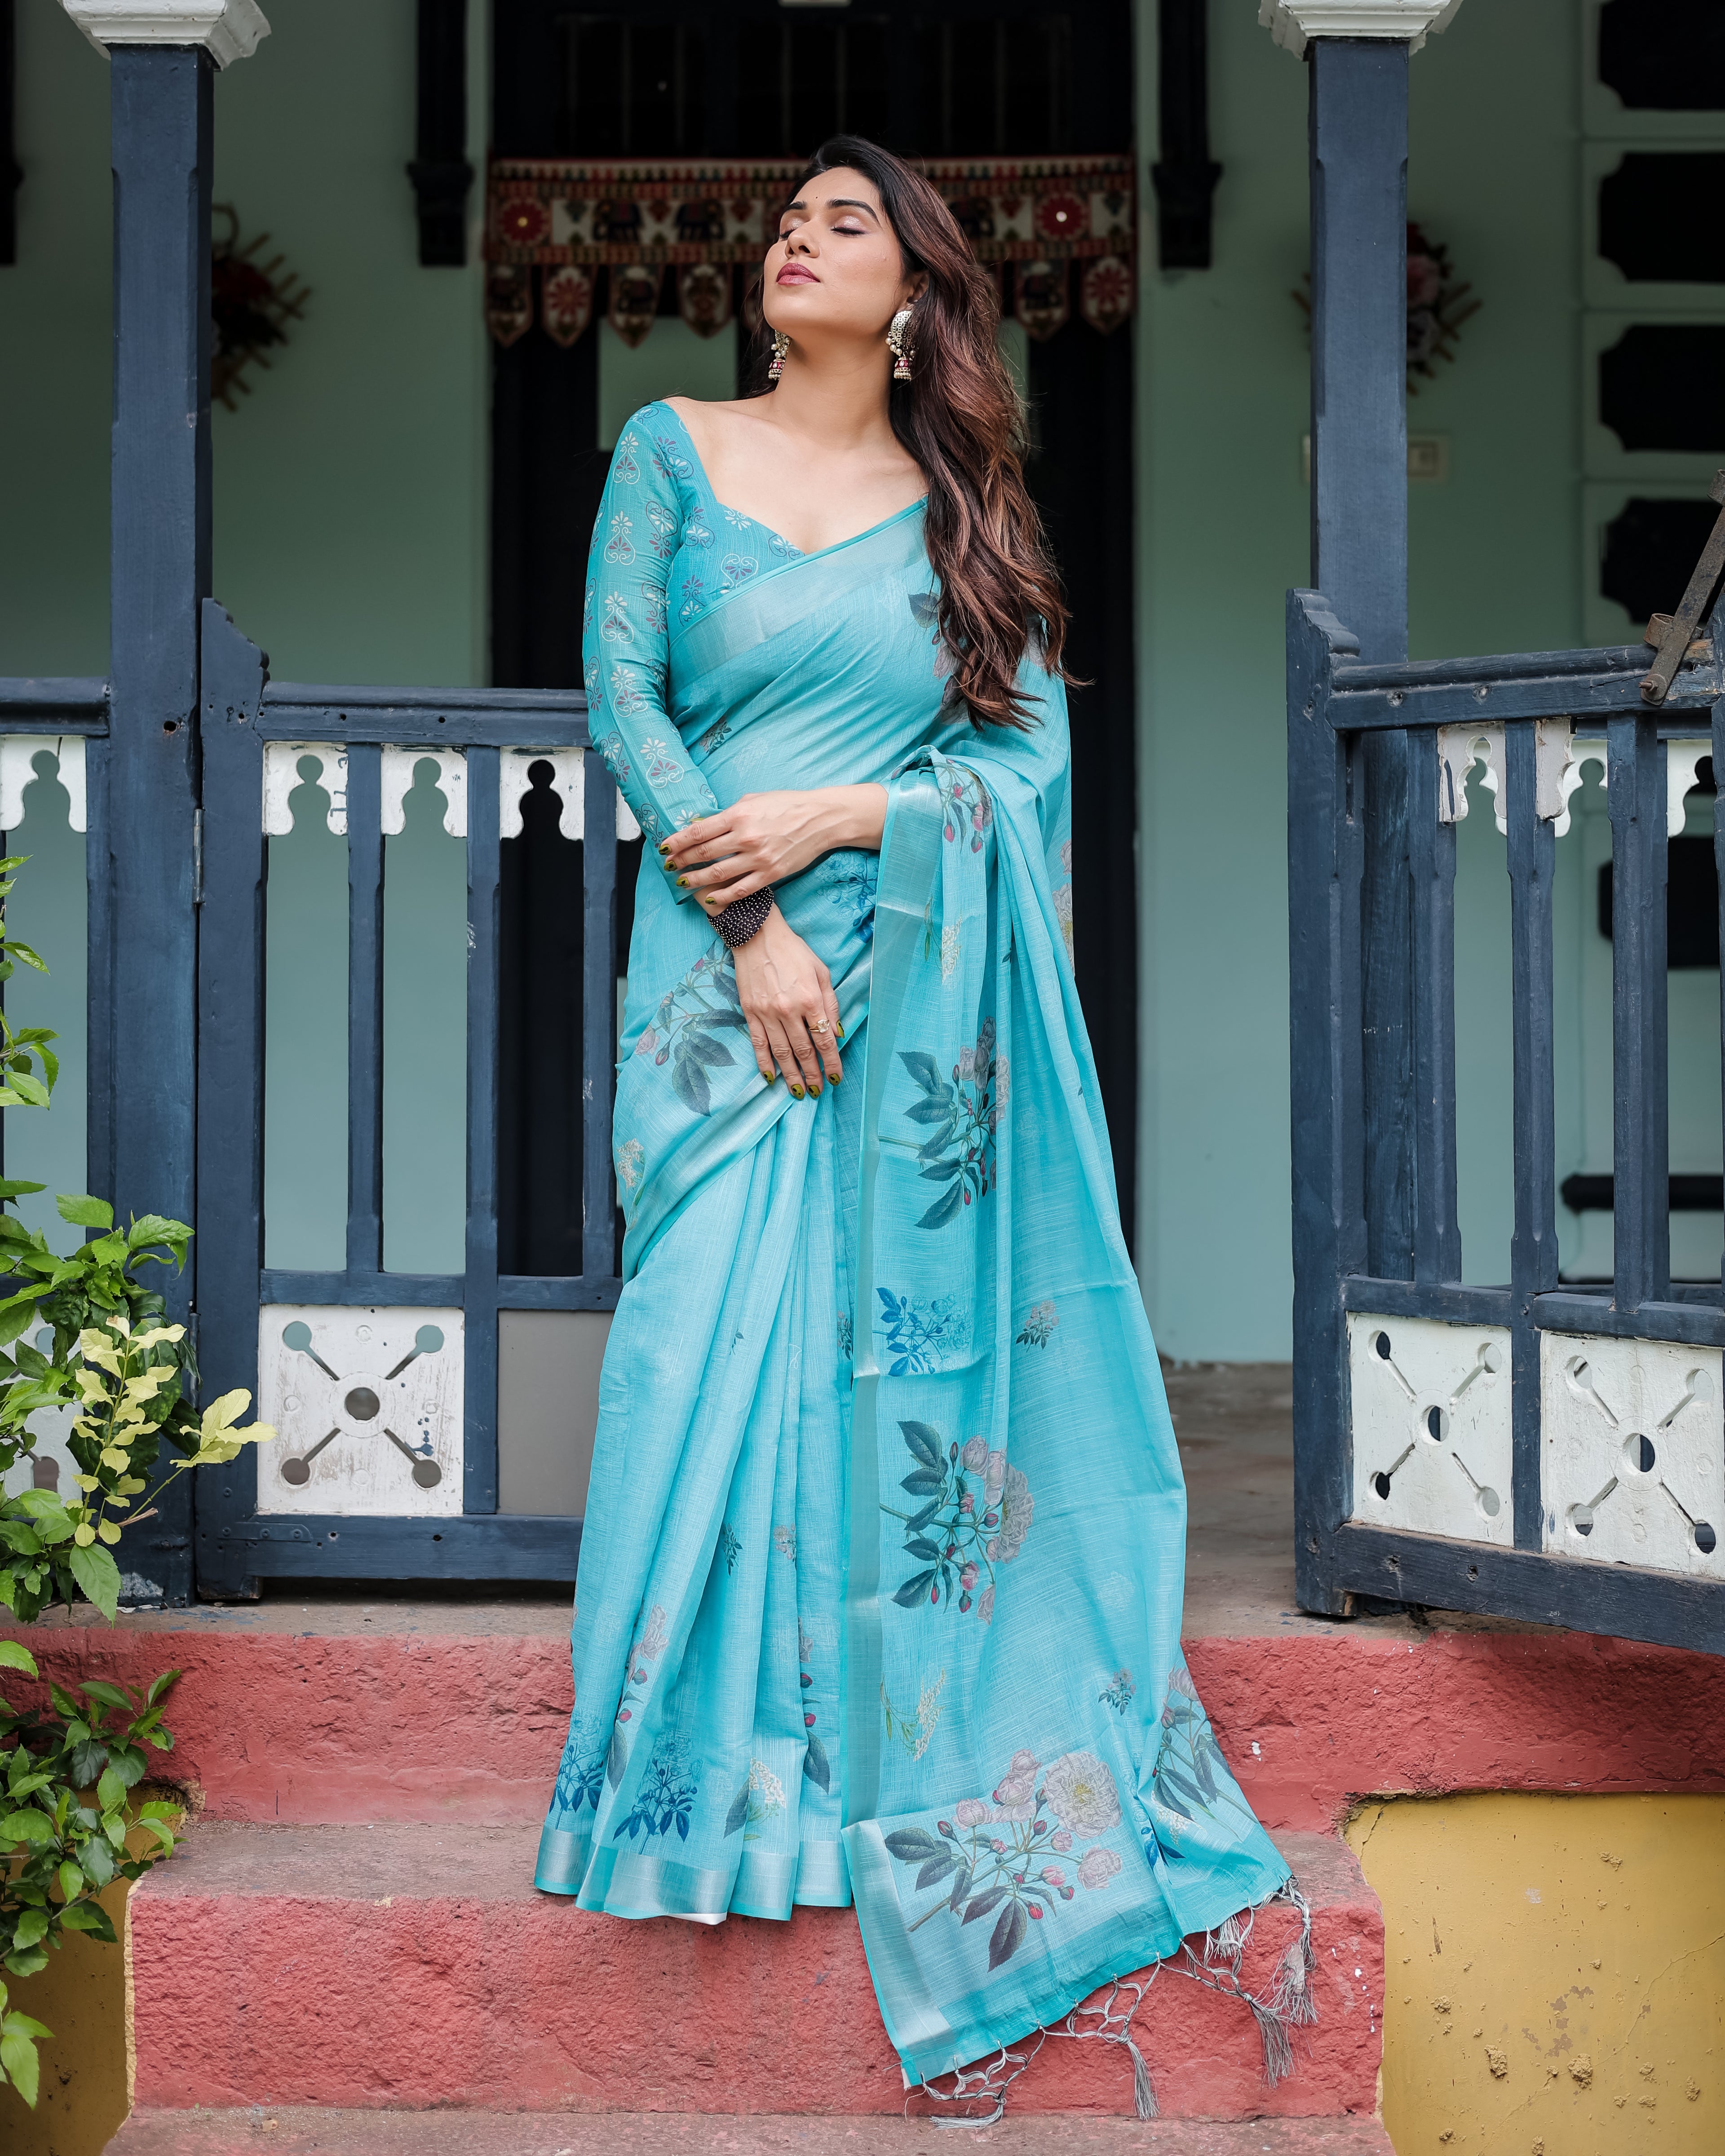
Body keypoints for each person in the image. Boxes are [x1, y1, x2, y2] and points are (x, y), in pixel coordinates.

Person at [535, 134, 1304, 2113]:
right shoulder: (667, 448)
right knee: (702, 1343)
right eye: (790, 216)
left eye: (845, 220)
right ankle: (698, 1800)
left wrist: (847, 817)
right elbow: (628, 697)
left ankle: (875, 1756)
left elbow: (1024, 773)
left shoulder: (967, 514)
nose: (798, 235)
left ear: (919, 296)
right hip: (722, 982)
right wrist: (759, 917)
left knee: (887, 1374)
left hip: (914, 991)